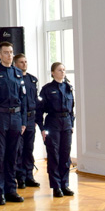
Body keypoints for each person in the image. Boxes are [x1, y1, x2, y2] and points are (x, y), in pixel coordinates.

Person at [0, 42, 27, 205]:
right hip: (0, 118)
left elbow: (23, 99)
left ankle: (11, 190)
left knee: (13, 155)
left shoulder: (18, 73)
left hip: (16, 118)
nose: (9, 55)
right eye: (5, 52)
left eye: (11, 52)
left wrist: (23, 121)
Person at [38, 62, 75, 197]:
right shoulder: (47, 89)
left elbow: (72, 110)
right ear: (53, 72)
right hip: (52, 123)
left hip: (66, 124)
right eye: (60, 70)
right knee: (54, 155)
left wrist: (71, 125)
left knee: (65, 155)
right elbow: (39, 110)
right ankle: (56, 186)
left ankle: (65, 185)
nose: (62, 72)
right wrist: (42, 129)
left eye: (64, 70)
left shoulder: (68, 88)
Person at [14, 54, 41, 189]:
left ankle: (29, 175)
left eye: (25, 61)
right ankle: (20, 177)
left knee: (29, 148)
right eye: (21, 62)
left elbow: (35, 100)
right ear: (15, 64)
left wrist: (36, 118)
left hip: (31, 118)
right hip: (18, 118)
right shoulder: (14, 79)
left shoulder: (32, 80)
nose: (24, 64)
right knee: (19, 148)